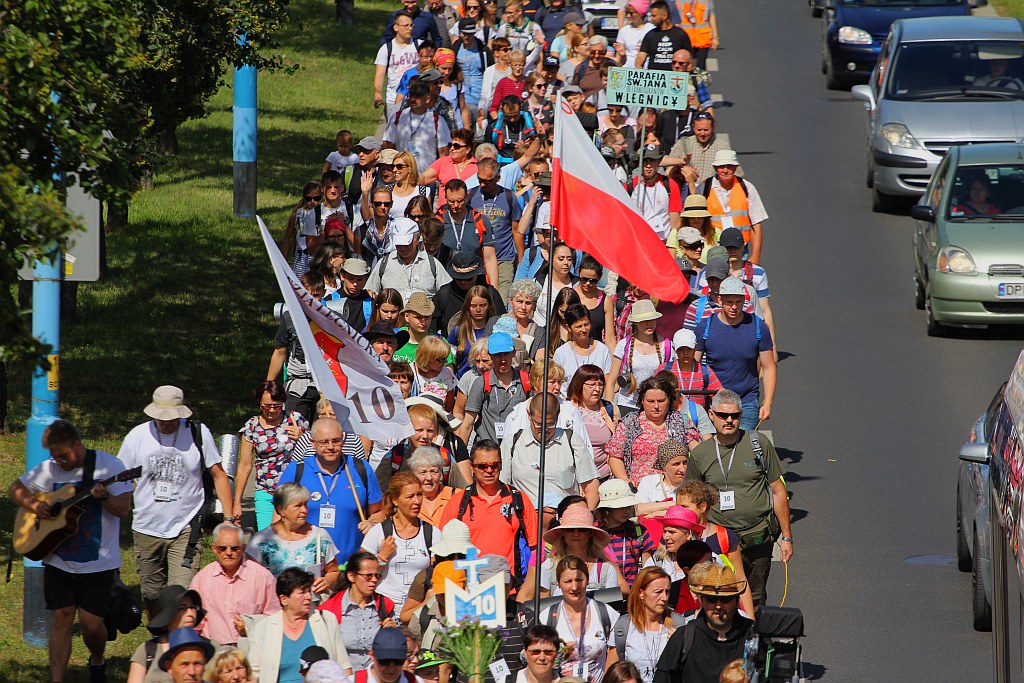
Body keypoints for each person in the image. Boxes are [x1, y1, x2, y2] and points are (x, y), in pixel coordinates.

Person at [7, 419, 132, 683]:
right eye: (54, 457)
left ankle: (97, 658)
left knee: (91, 625)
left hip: (99, 564)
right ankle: (57, 679)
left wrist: (105, 497)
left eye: (63, 455)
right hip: (59, 561)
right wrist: (34, 504)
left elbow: (123, 509)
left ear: (77, 444)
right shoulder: (50, 470)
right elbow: (15, 488)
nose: (59, 462)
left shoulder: (110, 466)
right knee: (62, 620)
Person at [118, 386, 233, 607]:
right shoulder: (137, 436)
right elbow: (120, 476)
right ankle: (159, 637)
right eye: (160, 417)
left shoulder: (197, 433)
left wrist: (228, 519)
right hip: (146, 528)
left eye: (171, 418)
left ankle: (177, 639)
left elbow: (218, 475)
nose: (165, 422)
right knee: (151, 596)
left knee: (181, 595)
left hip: (186, 527)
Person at [684, 389, 792, 608]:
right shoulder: (700, 454)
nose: (729, 420)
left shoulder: (758, 444)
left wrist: (787, 538)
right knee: (720, 593)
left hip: (757, 536)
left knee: (756, 595)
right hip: (718, 541)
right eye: (723, 415)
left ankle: (755, 640)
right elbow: (690, 500)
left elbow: (778, 491)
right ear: (711, 415)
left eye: (735, 415)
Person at [278, 418, 384, 561]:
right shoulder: (296, 470)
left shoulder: (361, 469)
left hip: (351, 563)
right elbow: (279, 517)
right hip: (304, 561)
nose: (330, 447)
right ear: (312, 443)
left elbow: (378, 512)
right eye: (324, 442)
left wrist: (373, 524)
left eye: (336, 441)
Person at [440, 439, 539, 583]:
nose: (489, 470)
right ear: (471, 467)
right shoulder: (458, 503)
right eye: (482, 466)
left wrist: (528, 587)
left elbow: (536, 549)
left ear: (501, 465)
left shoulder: (519, 500)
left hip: (509, 589)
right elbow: (443, 549)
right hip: (469, 589)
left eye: (494, 465)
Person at [694, 277, 775, 429]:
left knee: (743, 448)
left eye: (738, 302)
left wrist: (768, 402)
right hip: (714, 400)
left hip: (747, 400)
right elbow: (693, 367)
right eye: (729, 302)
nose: (734, 307)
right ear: (719, 300)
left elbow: (769, 366)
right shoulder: (705, 328)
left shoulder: (758, 327)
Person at [248, 567, 353, 681]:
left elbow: (344, 667)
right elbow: (253, 673)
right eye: (302, 592)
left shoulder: (326, 620)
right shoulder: (264, 628)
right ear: (284, 599)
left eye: (309, 591)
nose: (308, 596)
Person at [653, 564, 753, 683]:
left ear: (736, 600)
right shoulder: (683, 638)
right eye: (711, 599)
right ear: (701, 600)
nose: (718, 606)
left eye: (725, 600)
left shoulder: (753, 635)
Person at [501, 392, 600, 508]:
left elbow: (591, 487)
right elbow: (502, 487)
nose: (544, 430)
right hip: (527, 519)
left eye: (550, 424)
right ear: (529, 415)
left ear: (557, 417)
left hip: (563, 520)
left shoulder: (572, 441)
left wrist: (585, 517)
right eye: (538, 424)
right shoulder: (512, 443)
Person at [233, 381, 309, 530]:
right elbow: (244, 466)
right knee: (267, 541)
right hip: (266, 491)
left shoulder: (296, 420)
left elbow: (314, 451)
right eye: (267, 406)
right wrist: (237, 503)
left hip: (294, 492)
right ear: (260, 404)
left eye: (277, 406)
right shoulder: (252, 426)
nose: (272, 410)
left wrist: (302, 437)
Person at [246, 484, 340, 603]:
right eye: (298, 506)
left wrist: (327, 581)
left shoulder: (320, 536)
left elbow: (334, 571)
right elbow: (249, 578)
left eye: (305, 504)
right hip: (274, 609)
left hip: (311, 608)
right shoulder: (261, 541)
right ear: (281, 510)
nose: (304, 510)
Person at [189, 523, 278, 648]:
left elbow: (276, 619)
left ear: (243, 548)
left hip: (251, 647)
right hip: (214, 649)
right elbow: (195, 624)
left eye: (234, 548)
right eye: (222, 548)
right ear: (214, 549)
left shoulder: (263, 577)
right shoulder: (202, 579)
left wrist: (251, 624)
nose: (229, 553)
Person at [361, 472, 438, 614]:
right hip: (383, 611)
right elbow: (360, 574)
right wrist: (382, 557)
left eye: (419, 495)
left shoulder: (432, 533)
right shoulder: (379, 532)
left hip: (417, 612)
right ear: (395, 500)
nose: (417, 501)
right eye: (410, 496)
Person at [675, 481, 754, 617]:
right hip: (684, 608)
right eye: (677, 507)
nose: (679, 511)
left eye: (684, 507)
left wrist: (750, 619)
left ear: (703, 507)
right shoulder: (674, 536)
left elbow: (740, 579)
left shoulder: (724, 537)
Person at [537, 556, 620, 683]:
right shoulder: (545, 618)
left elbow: (613, 660)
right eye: (568, 581)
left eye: (579, 580)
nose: (574, 587)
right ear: (558, 583)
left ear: (587, 580)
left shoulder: (607, 613)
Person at [607, 377, 700, 485]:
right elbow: (615, 457)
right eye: (650, 401)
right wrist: (626, 481)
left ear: (669, 399)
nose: (656, 406)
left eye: (661, 401)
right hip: (638, 491)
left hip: (674, 489)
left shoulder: (681, 421)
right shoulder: (630, 423)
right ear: (642, 400)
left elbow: (698, 451)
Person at [318, 551, 398, 670]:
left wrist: (394, 633)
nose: (374, 580)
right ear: (351, 576)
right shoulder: (330, 609)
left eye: (377, 575)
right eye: (368, 575)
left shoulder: (386, 606)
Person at [457, 332, 532, 443]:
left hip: (516, 450)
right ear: (491, 356)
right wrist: (461, 457)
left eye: (506, 354)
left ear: (513, 353)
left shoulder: (526, 381)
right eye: (497, 355)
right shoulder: (481, 383)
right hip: (487, 451)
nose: (502, 359)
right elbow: (468, 423)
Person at [128, 585, 213, 683]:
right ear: (167, 614)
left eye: (193, 607)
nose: (190, 613)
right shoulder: (148, 650)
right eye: (182, 608)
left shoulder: (211, 647)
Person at [610, 567, 681, 683]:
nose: (664, 598)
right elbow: (612, 675)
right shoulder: (623, 627)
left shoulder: (678, 625)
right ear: (641, 594)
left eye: (667, 591)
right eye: (658, 592)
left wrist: (678, 646)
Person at [607, 301, 675, 418]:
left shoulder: (667, 346)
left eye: (652, 319)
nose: (649, 324)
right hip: (627, 405)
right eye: (643, 321)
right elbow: (611, 382)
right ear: (635, 323)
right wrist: (609, 409)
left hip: (656, 407)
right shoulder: (624, 345)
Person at [701, 150, 768, 265]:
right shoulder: (704, 187)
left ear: (736, 167)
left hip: (740, 250)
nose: (725, 170)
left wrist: (755, 255)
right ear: (716, 168)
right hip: (713, 249)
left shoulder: (747, 188)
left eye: (729, 166)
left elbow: (756, 224)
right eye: (721, 166)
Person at [470, 158, 523, 298]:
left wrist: (521, 259)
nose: (482, 184)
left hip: (503, 258)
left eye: (486, 181)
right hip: (477, 258)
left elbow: (516, 231)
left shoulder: (509, 197)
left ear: (497, 178)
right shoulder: (470, 196)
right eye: (479, 179)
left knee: (500, 301)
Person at [436, 178, 499, 285]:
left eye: (460, 200)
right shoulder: (438, 222)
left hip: (475, 280)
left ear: (467, 197)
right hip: (446, 280)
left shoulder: (481, 221)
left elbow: (490, 259)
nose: (456, 205)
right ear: (445, 198)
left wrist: (494, 288)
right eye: (451, 201)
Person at [384, 81, 452, 174]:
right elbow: (387, 146)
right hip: (400, 176)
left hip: (426, 178)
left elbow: (444, 152)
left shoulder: (437, 120)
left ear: (427, 99)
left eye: (417, 97)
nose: (413, 99)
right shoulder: (397, 117)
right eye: (411, 96)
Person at [432, 250, 507, 336]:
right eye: (459, 278)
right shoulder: (443, 294)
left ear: (476, 274)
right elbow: (432, 329)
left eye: (468, 278)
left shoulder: (491, 293)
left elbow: (502, 324)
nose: (463, 282)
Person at [596, 479, 657, 584]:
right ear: (607, 509)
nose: (627, 510)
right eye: (621, 507)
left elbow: (648, 567)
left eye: (629, 505)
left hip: (634, 593)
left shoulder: (639, 530)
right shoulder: (594, 532)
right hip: (603, 593)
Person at [568, 364, 619, 480]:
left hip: (604, 477)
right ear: (579, 385)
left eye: (600, 385)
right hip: (575, 478)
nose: (597, 389)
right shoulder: (566, 410)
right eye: (591, 385)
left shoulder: (610, 408)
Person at [663, 113, 738, 187]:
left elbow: (734, 173)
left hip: (712, 191)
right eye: (699, 130)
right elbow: (668, 170)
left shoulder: (723, 147)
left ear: (713, 127)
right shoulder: (683, 144)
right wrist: (683, 170)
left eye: (706, 130)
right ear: (693, 127)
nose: (702, 133)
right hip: (686, 189)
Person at [628, 144, 683, 242]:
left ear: (658, 162)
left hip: (662, 242)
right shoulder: (631, 186)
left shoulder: (670, 185)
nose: (648, 166)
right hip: (638, 241)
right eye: (645, 161)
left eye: (652, 161)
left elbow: (675, 222)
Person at [553, 304, 614, 392]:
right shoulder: (561, 353)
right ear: (569, 327)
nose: (584, 330)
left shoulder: (602, 350)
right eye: (578, 326)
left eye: (586, 324)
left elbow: (607, 383)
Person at [642, 505, 705, 583]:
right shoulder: (656, 561)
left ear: (689, 534)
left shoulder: (707, 560)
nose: (665, 537)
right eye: (664, 531)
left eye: (672, 532)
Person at [635, 441, 691, 523]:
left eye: (685, 463)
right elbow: (638, 510)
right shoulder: (649, 482)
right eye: (676, 464)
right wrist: (677, 504)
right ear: (663, 466)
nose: (682, 469)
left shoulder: (692, 484)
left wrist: (659, 513)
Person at [667, 329, 721, 411]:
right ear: (674, 348)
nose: (685, 353)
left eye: (689, 349)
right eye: (681, 349)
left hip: (699, 419)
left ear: (696, 347)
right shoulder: (665, 369)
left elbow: (719, 395)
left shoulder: (705, 371)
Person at [447, 283, 495, 375]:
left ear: (489, 306)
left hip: (490, 382)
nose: (478, 310)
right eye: (473, 306)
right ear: (468, 307)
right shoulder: (457, 331)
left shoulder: (495, 330)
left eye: (482, 305)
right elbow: (449, 360)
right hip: (464, 383)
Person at [420, 128, 478, 199]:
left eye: (456, 146)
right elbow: (424, 178)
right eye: (450, 145)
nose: (452, 148)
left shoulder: (477, 167)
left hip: (467, 208)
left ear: (468, 149)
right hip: (444, 209)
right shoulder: (442, 162)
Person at [574, 256, 616, 351]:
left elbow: (610, 337)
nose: (588, 283)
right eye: (584, 279)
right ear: (578, 273)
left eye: (593, 280)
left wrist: (614, 361)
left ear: (600, 277)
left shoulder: (606, 300)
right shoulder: (571, 296)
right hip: (573, 350)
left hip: (595, 351)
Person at [392, 292, 446, 364]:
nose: (423, 322)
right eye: (418, 317)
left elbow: (448, 370)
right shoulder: (392, 336)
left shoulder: (440, 342)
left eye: (427, 317)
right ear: (406, 316)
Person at [282, 182, 323, 277]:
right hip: (302, 255)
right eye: (309, 198)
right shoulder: (297, 215)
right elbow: (287, 238)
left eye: (316, 198)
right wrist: (284, 259)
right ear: (303, 197)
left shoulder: (322, 213)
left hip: (318, 253)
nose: (312, 202)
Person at [636, 1, 692, 70]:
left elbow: (689, 58)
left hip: (674, 77)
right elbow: (640, 59)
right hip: (655, 77)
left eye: (654, 16)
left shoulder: (680, 34)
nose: (651, 19)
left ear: (664, 16)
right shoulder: (650, 35)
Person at [412, 335, 457, 405]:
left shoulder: (447, 374)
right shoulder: (409, 371)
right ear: (427, 359)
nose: (445, 362)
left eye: (446, 358)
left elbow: (449, 405)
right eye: (441, 359)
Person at [615, 0, 654, 71]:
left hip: (646, 71)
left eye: (631, 13)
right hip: (627, 70)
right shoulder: (624, 31)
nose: (628, 16)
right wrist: (622, 54)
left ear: (640, 14)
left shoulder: (651, 29)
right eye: (627, 13)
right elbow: (619, 59)